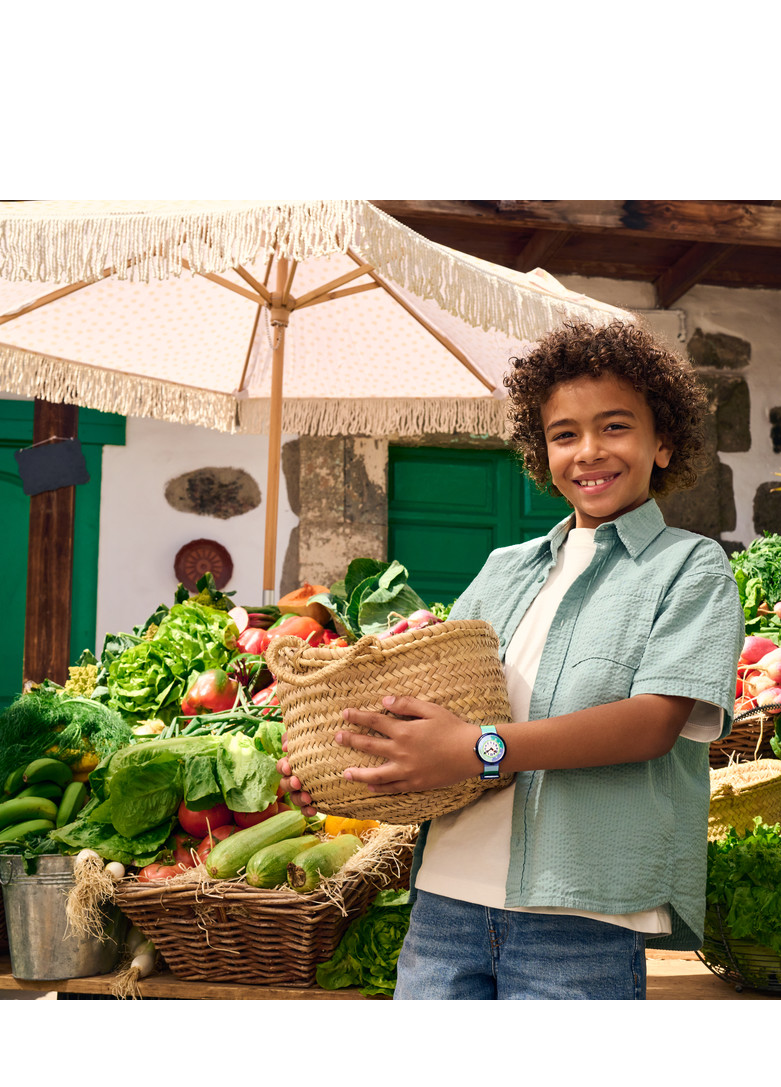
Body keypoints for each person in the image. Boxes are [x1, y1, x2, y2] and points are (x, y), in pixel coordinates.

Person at [278, 318, 744, 1000]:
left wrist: (482, 750)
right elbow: (435, 713)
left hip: (581, 913)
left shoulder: (690, 567)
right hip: (443, 903)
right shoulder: (503, 569)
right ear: (540, 451)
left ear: (663, 442)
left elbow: (652, 724)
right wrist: (347, 763)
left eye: (615, 427)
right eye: (564, 434)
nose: (588, 451)